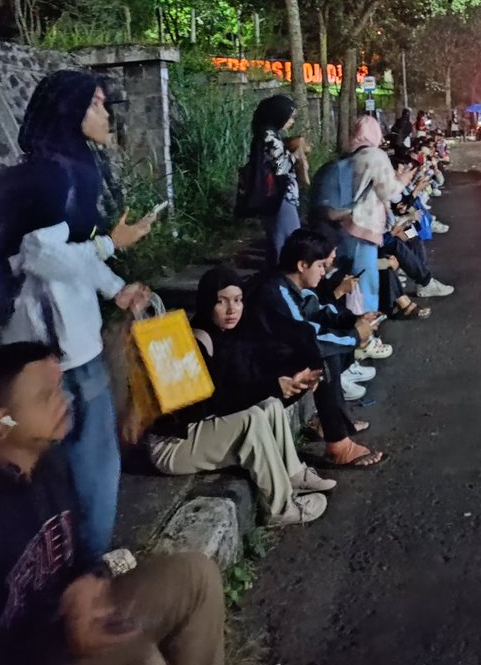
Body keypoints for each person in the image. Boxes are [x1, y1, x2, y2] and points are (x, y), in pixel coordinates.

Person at [0, 342, 225, 665]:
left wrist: (88, 581)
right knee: (139, 662)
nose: (65, 401)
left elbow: (78, 558)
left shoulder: (50, 466)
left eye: (59, 389)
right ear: (1, 422)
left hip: (67, 626)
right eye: (46, 396)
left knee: (196, 576)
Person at [2, 70, 154, 562]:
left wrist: (116, 290)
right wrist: (114, 244)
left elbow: (72, 253)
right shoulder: (49, 176)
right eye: (94, 104)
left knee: (88, 463)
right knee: (82, 466)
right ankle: (82, 573)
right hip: (57, 351)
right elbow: (42, 256)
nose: (106, 113)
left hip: (76, 339)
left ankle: (83, 563)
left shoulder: (67, 168)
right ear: (69, 113)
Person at [145, 266, 334, 523]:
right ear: (207, 303)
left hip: (199, 427)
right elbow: (211, 405)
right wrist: (270, 386)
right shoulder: (193, 344)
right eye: (221, 302)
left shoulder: (228, 334)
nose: (232, 310)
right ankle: (280, 509)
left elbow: (253, 377)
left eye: (237, 300)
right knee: (252, 419)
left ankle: (293, 474)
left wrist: (290, 379)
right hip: (173, 446)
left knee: (269, 405)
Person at [266, 229, 385, 467]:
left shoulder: (293, 286)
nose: (324, 271)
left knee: (330, 349)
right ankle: (338, 444)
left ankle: (336, 425)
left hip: (277, 355)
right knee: (321, 356)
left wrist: (355, 320)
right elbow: (307, 337)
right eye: (321, 265)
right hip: (262, 371)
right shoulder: (276, 291)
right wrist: (354, 336)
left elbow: (320, 312)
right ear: (302, 265)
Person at [343, 115, 413, 313]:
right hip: (368, 226)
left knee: (413, 233)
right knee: (367, 280)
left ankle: (418, 279)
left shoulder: (350, 156)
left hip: (350, 225)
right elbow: (390, 192)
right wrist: (404, 180)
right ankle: (423, 280)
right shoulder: (375, 156)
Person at [251, 94, 301, 267]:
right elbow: (281, 167)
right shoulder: (270, 137)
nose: (292, 120)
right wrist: (296, 155)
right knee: (287, 242)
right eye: (290, 116)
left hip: (276, 198)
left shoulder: (265, 134)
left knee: (280, 240)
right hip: (280, 198)